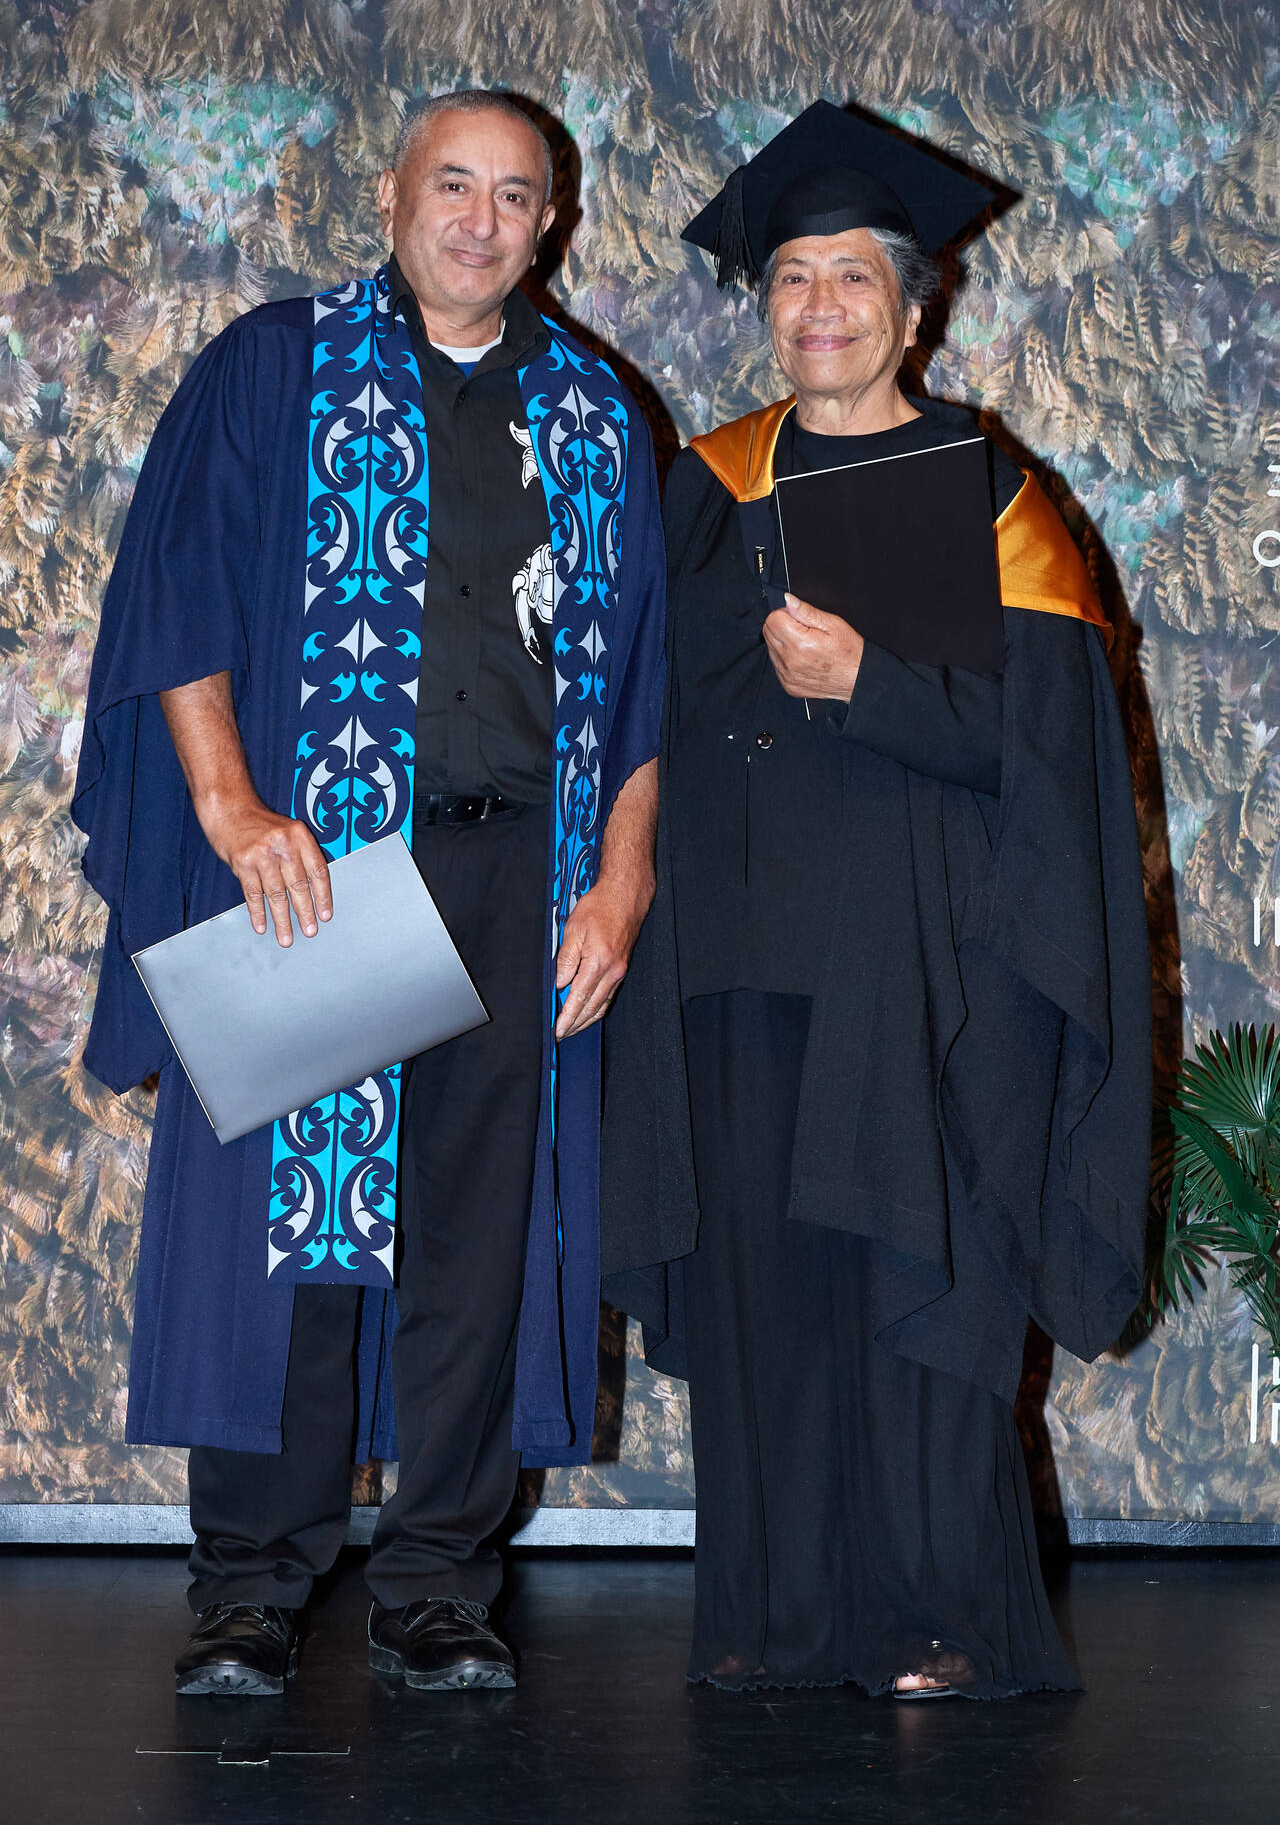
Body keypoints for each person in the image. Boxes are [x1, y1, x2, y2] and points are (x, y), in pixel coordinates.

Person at [73, 90, 665, 1694]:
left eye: (515, 195)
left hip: (518, 868)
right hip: (329, 860)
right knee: (299, 1236)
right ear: (394, 195)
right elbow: (181, 596)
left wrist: (618, 881)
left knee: (478, 1241)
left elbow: (641, 690)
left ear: (551, 224)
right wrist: (229, 804)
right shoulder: (280, 368)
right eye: (453, 184)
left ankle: (438, 1587)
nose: (480, 219)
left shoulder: (596, 413)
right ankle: (252, 1587)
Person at [602, 102, 1150, 1699]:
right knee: (767, 1296)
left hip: (931, 965)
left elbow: (1052, 754)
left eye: (853, 276)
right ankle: (773, 1620)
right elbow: (636, 715)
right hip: (736, 956)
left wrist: (873, 687)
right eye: (791, 278)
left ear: (915, 311)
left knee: (923, 1282)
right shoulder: (703, 488)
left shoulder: (995, 501)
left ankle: (937, 1617)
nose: (819, 304)